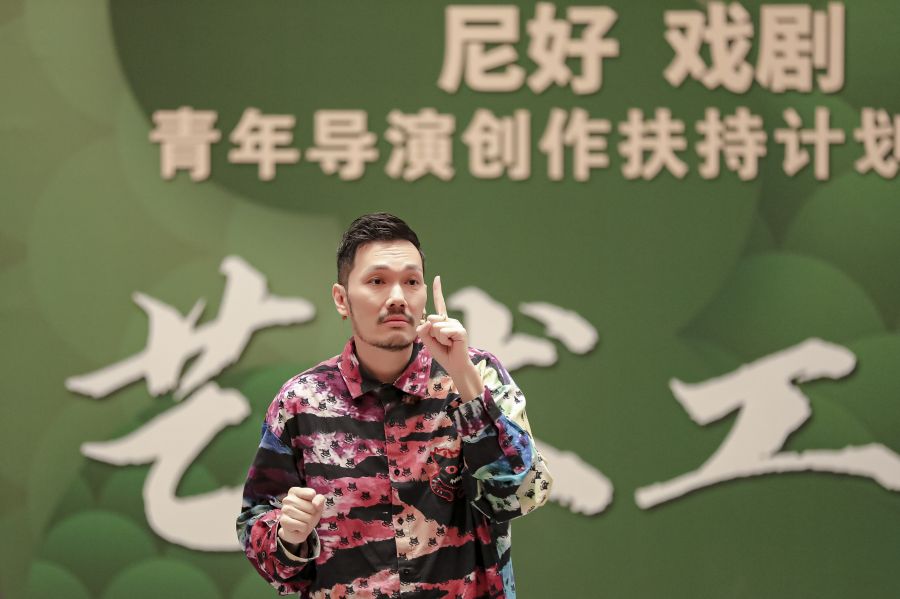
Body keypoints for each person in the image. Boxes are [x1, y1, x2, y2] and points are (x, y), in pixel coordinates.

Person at [237, 212, 552, 598]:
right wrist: (288, 536)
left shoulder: (476, 375)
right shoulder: (301, 402)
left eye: (411, 282)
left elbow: (523, 493)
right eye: (377, 281)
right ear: (342, 299)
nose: (398, 297)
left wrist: (464, 379)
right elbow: (255, 523)